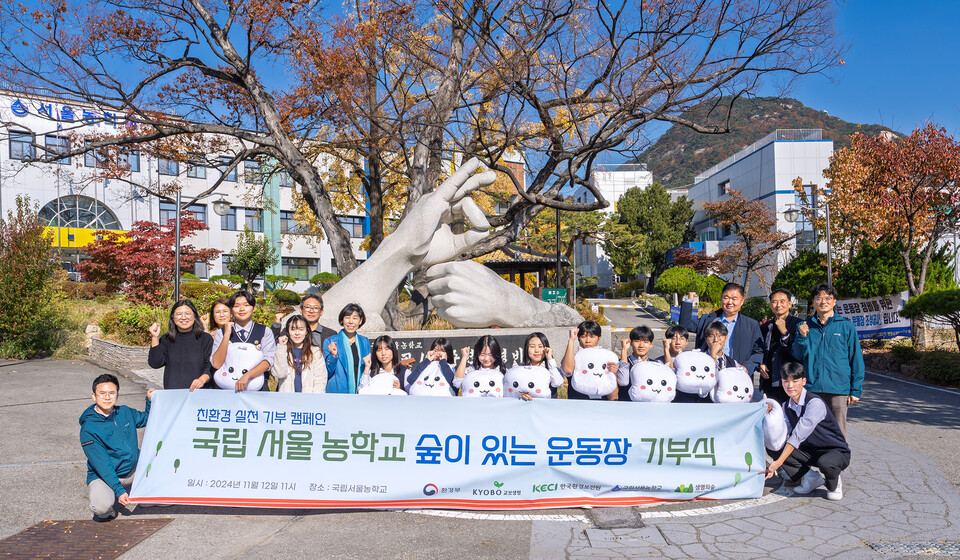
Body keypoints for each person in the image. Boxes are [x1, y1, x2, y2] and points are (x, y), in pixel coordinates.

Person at [762, 362, 850, 501]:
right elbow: (781, 434)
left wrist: (778, 463)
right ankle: (810, 478)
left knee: (826, 463)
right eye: (786, 381)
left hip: (833, 451)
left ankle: (835, 482)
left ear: (804, 381)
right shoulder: (786, 406)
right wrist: (768, 415)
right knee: (775, 446)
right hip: (808, 451)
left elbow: (797, 436)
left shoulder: (814, 403)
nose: (790, 386)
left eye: (795, 381)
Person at [791, 282, 865, 437]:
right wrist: (802, 337)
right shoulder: (804, 325)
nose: (823, 301)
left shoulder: (846, 327)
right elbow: (797, 355)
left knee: (837, 432)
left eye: (828, 298)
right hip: (812, 387)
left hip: (838, 389)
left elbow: (856, 360)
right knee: (811, 431)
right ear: (813, 302)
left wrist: (855, 389)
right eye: (818, 298)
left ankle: (838, 461)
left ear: (834, 301)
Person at [79, 374, 155, 521]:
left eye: (111, 393)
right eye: (102, 393)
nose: (107, 397)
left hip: (133, 469)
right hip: (104, 476)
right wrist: (119, 490)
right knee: (102, 508)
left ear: (117, 395)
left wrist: (150, 401)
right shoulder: (89, 428)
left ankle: (143, 497)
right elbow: (103, 465)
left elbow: (146, 418)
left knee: (165, 486)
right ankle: (112, 497)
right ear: (94, 396)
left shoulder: (125, 412)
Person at [679, 282, 764, 376]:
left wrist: (747, 368)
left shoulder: (751, 325)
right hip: (707, 373)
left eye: (734, 299)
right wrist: (689, 301)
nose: (730, 302)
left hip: (738, 376)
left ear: (742, 301)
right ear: (721, 298)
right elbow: (685, 325)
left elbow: (759, 352)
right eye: (726, 297)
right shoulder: (708, 320)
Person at [210, 290, 276, 391]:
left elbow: (268, 360)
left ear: (253, 308)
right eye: (236, 306)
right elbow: (217, 364)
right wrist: (227, 335)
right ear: (231, 310)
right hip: (226, 389)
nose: (241, 309)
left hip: (258, 388)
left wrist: (247, 375)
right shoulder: (222, 333)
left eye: (246, 305)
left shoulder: (264, 331)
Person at [147, 300, 213, 390]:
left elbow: (210, 365)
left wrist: (201, 380)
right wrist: (155, 337)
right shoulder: (167, 339)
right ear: (173, 318)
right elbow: (155, 363)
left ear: (194, 316)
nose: (183, 317)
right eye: (178, 314)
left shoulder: (205, 338)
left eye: (188, 313)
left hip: (200, 392)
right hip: (174, 394)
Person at [759, 288, 802, 403]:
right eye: (774, 301)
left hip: (792, 380)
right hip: (770, 379)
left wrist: (785, 332)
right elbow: (759, 350)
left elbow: (800, 352)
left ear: (789, 304)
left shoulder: (799, 324)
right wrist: (761, 364)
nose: (778, 305)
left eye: (782, 301)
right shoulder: (765, 327)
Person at [560, 321, 619, 400]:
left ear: (599, 338)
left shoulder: (606, 358)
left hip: (601, 406)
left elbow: (613, 396)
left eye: (592, 336)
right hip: (577, 403)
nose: (588, 340)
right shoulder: (574, 357)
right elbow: (568, 370)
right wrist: (571, 340)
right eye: (583, 336)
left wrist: (613, 374)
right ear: (578, 338)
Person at [324, 303, 371, 394]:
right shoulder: (331, 341)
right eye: (347, 317)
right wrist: (333, 356)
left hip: (360, 392)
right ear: (342, 320)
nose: (351, 322)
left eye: (355, 318)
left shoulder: (364, 341)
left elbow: (367, 368)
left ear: (360, 321)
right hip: (337, 392)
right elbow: (327, 373)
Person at [273, 315, 327, 393]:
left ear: (307, 331)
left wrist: (315, 400)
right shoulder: (283, 350)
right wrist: (281, 347)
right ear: (288, 331)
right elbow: (279, 374)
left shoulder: (315, 352)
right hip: (286, 400)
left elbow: (320, 381)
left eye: (301, 329)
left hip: (309, 401)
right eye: (293, 329)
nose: (297, 333)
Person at [271, 293, 338, 347]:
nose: (311, 311)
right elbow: (273, 345)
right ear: (301, 310)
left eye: (315, 308)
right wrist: (277, 324)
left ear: (321, 312)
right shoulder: (289, 331)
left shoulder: (331, 334)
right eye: (308, 307)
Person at [520, 332, 565, 397]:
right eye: (532, 347)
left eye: (540, 346)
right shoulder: (521, 370)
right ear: (527, 349)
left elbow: (557, 383)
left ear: (546, 348)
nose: (537, 350)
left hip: (547, 405)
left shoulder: (551, 369)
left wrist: (550, 358)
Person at [616, 326, 655, 400]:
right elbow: (624, 381)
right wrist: (624, 350)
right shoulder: (621, 363)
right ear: (630, 343)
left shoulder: (655, 365)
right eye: (637, 341)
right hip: (625, 404)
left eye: (646, 342)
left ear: (651, 345)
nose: (641, 345)